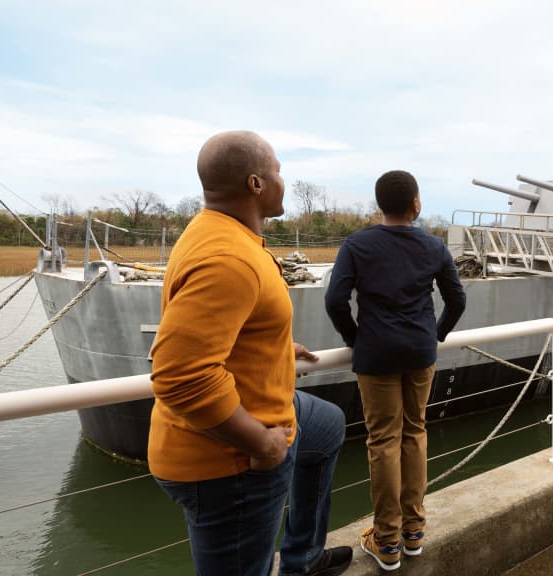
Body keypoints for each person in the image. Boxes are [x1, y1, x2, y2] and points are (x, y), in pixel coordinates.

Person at [149, 130, 352, 576]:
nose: (283, 180)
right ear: (256, 184)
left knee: (328, 426)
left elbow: (233, 327)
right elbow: (180, 376)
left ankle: (302, 559)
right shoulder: (229, 259)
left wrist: (276, 348)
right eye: (278, 170)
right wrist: (259, 443)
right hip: (230, 459)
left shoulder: (220, 233)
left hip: (265, 408)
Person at [325, 170, 466, 571]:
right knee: (415, 431)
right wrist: (433, 335)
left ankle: (386, 541)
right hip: (420, 353)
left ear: (379, 205)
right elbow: (457, 300)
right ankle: (414, 532)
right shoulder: (433, 245)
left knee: (383, 439)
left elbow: (336, 301)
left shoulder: (357, 245)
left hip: (377, 356)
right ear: (416, 204)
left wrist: (355, 339)